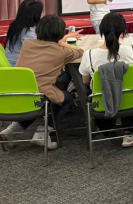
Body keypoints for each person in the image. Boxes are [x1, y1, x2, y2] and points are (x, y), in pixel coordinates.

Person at [1, 15, 83, 149]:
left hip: (19, 90)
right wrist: (63, 43)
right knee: (66, 98)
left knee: (38, 102)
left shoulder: (28, 43)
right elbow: (79, 52)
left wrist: (61, 41)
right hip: (40, 93)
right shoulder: (61, 52)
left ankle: (11, 130)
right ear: (60, 33)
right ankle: (42, 133)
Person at [78, 13, 133, 148]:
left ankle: (106, 129)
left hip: (103, 106)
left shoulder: (89, 55)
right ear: (123, 31)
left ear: (101, 30)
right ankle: (130, 132)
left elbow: (85, 81)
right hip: (132, 105)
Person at [5, 0, 43, 66]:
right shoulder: (27, 31)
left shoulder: (17, 25)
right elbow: (37, 48)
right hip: (18, 65)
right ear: (35, 15)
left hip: (13, 62)